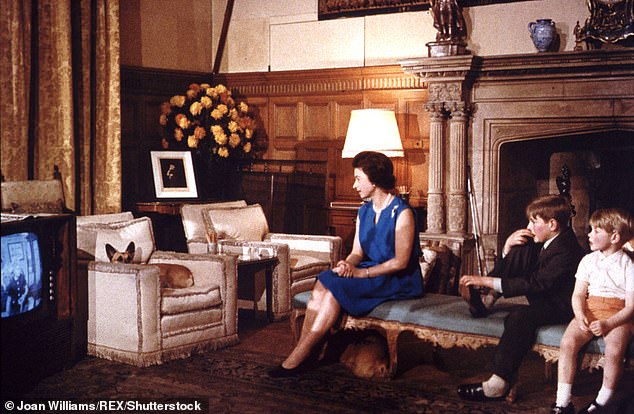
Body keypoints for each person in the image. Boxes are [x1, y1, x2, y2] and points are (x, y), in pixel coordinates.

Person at [268, 151, 424, 378]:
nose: (354, 185)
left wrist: (361, 274)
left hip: (397, 279)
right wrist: (345, 265)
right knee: (326, 279)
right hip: (370, 271)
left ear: (374, 180)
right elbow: (357, 253)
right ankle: (306, 351)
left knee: (333, 293)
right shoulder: (364, 210)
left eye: (358, 179)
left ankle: (301, 355)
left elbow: (400, 263)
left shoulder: (402, 212)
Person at [457, 194, 584, 401]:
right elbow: (522, 269)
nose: (529, 227)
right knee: (521, 246)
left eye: (534, 222)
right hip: (544, 299)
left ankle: (499, 383)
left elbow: (536, 283)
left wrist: (487, 281)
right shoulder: (551, 239)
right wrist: (508, 248)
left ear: (552, 224)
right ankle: (487, 299)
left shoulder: (566, 249)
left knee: (519, 317)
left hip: (563, 307)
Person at [550, 208, 633, 414]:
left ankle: (602, 403)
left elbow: (631, 306)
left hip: (618, 315)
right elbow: (578, 295)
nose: (589, 234)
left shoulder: (628, 265)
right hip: (590, 309)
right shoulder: (588, 260)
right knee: (568, 343)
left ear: (614, 237)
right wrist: (580, 316)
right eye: (590, 229)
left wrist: (608, 324)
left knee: (614, 350)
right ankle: (563, 402)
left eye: (597, 231)